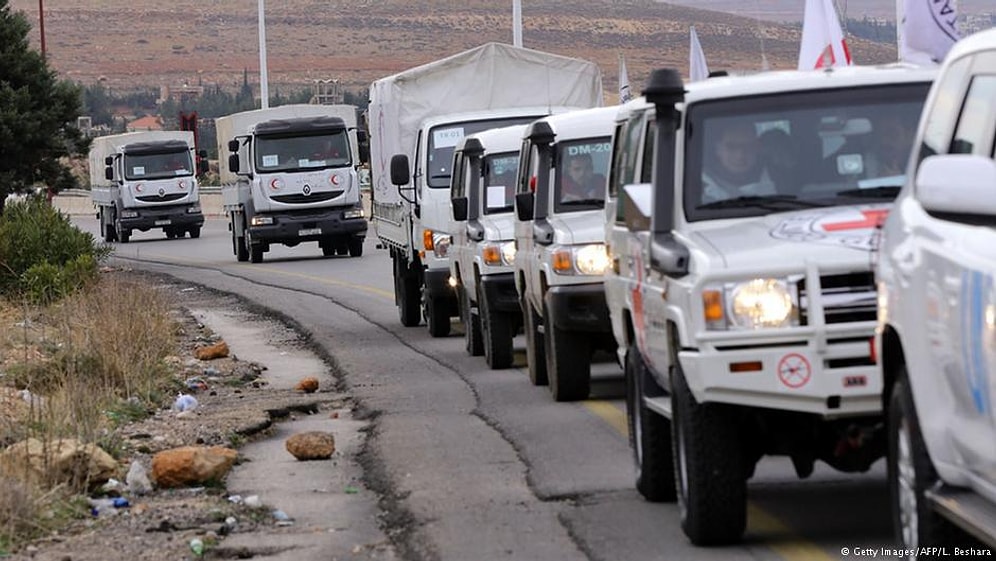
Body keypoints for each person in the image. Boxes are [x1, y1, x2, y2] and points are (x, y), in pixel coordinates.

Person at [701, 119, 775, 203]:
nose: (740, 155)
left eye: (748, 146)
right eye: (731, 147)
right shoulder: (695, 186)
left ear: (757, 148)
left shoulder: (780, 179)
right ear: (718, 149)